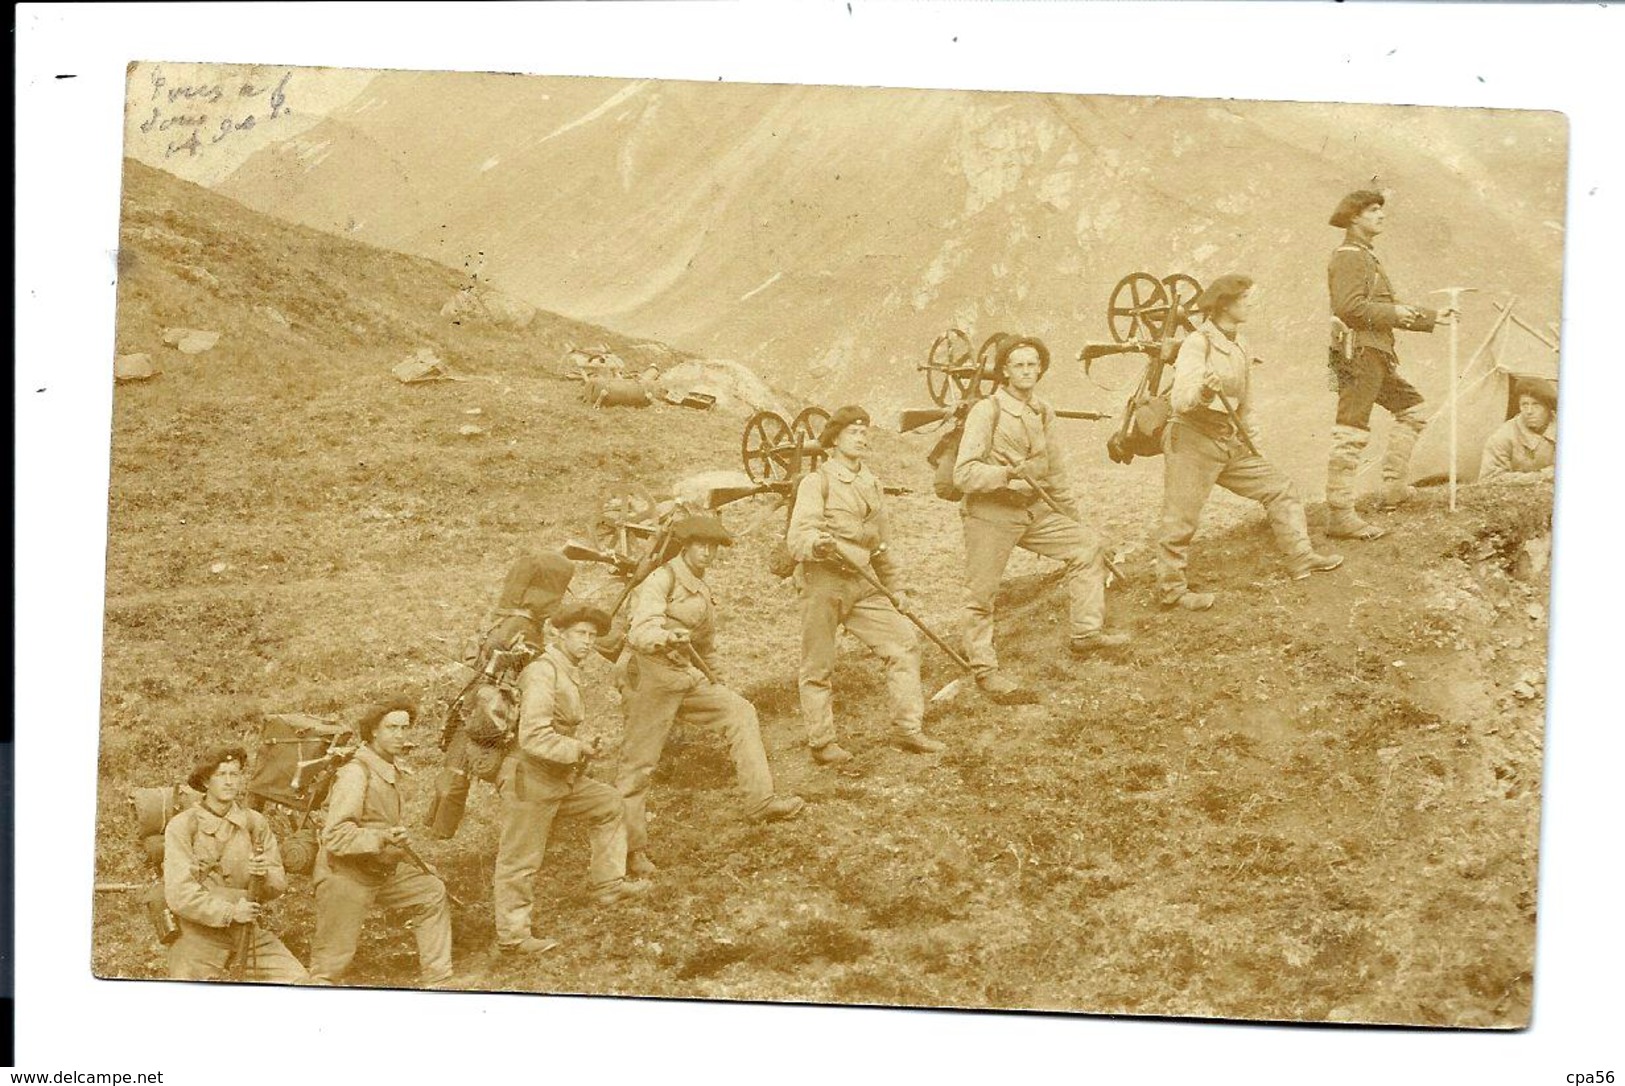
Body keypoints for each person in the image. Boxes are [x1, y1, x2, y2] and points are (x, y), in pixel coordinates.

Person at [616, 514, 804, 875]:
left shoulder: (700, 587)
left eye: (714, 546)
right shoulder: (661, 579)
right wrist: (666, 637)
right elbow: (640, 631)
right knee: (638, 765)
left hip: (685, 677)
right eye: (701, 545)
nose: (708, 553)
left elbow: (705, 643)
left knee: (740, 711)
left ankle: (760, 802)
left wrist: (715, 676)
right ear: (685, 546)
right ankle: (629, 852)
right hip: (650, 677)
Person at [952, 336, 1130, 705]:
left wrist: (1070, 516)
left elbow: (1056, 472)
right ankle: (984, 669)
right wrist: (1005, 475)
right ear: (1004, 371)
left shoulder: (1042, 410)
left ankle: (1086, 634)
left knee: (1086, 545)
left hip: (1034, 510)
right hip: (991, 513)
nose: (1028, 371)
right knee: (981, 593)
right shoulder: (987, 411)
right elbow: (964, 474)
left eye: (1033, 364)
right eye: (1019, 365)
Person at [1156, 275, 1344, 610]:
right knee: (1180, 519)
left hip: (1228, 440)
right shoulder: (1198, 344)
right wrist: (1203, 390)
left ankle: (1301, 558)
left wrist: (1250, 439)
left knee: (1279, 487)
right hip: (1192, 439)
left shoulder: (1241, 343)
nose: (1250, 303)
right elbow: (1181, 399)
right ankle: (1172, 590)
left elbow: (1247, 401)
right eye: (1244, 298)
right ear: (1224, 304)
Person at [786, 405, 945, 765]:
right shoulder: (818, 482)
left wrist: (897, 588)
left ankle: (908, 730)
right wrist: (817, 545)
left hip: (864, 583)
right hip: (822, 583)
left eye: (864, 432)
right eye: (854, 432)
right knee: (818, 665)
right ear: (835, 439)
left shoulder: (870, 483)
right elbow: (798, 537)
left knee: (903, 645)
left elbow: (881, 543)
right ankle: (822, 742)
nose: (861, 437)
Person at [493, 603, 649, 955]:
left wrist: (577, 749)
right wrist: (577, 748)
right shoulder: (543, 672)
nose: (588, 642)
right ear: (558, 634)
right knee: (520, 859)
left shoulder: (566, 669)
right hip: (529, 778)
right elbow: (532, 737)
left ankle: (608, 884)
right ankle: (513, 937)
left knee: (608, 804)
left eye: (593, 636)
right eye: (581, 634)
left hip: (558, 775)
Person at [1325, 189, 1459, 540]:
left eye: (1380, 210)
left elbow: (1384, 308)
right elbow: (1348, 309)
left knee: (1413, 410)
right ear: (1354, 218)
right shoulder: (1349, 257)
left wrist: (1430, 317)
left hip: (1377, 353)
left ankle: (1393, 488)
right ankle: (1340, 513)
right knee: (1351, 429)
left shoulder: (1366, 257)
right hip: (1358, 355)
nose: (1381, 215)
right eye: (1373, 210)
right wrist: (1395, 312)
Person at [425, 551, 574, 839]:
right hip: (494, 709)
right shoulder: (522, 627)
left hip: (477, 703)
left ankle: (437, 829)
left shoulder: (505, 618)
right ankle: (440, 834)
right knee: (473, 773)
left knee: (455, 772)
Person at [309, 700, 454, 986]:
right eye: (391, 728)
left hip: (380, 870)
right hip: (344, 876)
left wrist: (405, 854)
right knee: (327, 970)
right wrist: (382, 837)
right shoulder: (355, 772)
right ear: (373, 731)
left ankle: (440, 982)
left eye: (404, 728)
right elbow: (335, 836)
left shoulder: (387, 767)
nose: (400, 735)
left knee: (431, 891)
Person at [162, 744, 308, 982]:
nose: (229, 781)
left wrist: (263, 876)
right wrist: (230, 912)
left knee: (298, 980)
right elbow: (179, 894)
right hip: (198, 935)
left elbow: (278, 884)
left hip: (247, 933)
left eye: (235, 774)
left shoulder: (254, 823)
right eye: (221, 774)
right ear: (206, 781)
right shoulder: (183, 825)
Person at [1478, 381, 1557, 484]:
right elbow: (1488, 479)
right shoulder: (1503, 436)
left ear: (1548, 407)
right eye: (1524, 404)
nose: (1529, 411)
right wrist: (1541, 476)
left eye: (1536, 405)